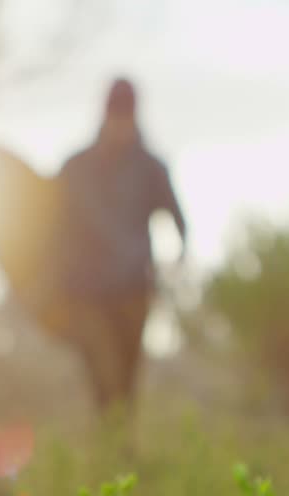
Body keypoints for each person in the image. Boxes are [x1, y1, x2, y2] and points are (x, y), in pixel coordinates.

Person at [55, 77, 188, 416]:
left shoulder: (151, 168)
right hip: (86, 293)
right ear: (104, 115)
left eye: (125, 117)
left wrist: (174, 267)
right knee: (104, 379)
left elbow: (179, 223)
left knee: (127, 385)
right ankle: (110, 452)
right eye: (115, 116)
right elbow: (48, 226)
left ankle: (120, 455)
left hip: (133, 291)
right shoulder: (75, 168)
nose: (120, 125)